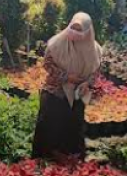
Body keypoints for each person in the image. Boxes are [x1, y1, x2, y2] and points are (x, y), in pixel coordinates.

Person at [32, 12, 102, 162]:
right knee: (49, 128)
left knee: (73, 131)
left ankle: (69, 165)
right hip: (55, 92)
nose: (74, 33)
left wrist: (87, 83)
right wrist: (66, 77)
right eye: (73, 28)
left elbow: (96, 71)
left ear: (88, 31)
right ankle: (44, 162)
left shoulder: (94, 50)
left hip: (77, 95)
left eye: (79, 30)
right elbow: (47, 64)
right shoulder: (57, 43)